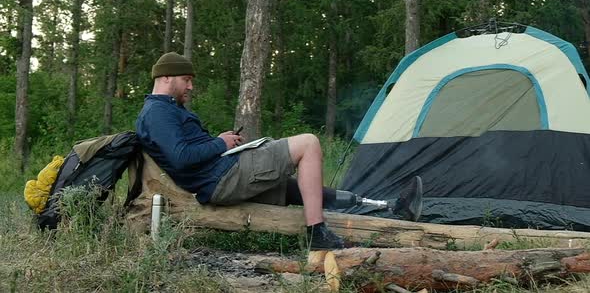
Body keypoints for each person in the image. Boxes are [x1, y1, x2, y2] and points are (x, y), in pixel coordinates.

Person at [136, 52, 422, 250]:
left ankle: (390, 208)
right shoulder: (157, 113)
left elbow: (187, 150)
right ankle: (316, 233)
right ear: (165, 78)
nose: (191, 86)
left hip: (221, 175)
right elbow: (181, 158)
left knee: (294, 190)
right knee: (308, 143)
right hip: (220, 180)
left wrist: (222, 142)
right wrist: (220, 144)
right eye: (186, 79)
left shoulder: (167, 110)